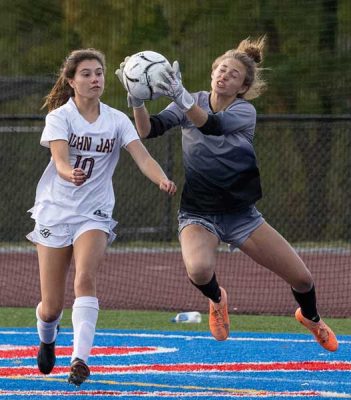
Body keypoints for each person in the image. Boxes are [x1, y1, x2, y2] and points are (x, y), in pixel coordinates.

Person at [116, 37, 338, 351]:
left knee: (302, 279)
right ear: (212, 72)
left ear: (243, 87)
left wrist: (182, 98)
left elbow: (212, 126)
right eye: (221, 69)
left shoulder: (244, 111)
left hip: (242, 216)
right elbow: (147, 130)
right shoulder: (190, 100)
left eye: (233, 75)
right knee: (199, 269)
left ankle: (311, 319)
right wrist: (136, 99)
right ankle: (217, 299)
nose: (224, 75)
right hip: (198, 213)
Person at [27, 48, 177, 387]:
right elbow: (61, 159)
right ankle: (48, 338)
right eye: (87, 74)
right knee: (51, 307)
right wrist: (69, 173)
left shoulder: (116, 120)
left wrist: (161, 178)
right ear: (71, 81)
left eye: (99, 73)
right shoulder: (60, 117)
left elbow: (142, 156)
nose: (95, 79)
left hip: (94, 213)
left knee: (84, 279)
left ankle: (80, 358)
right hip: (55, 210)